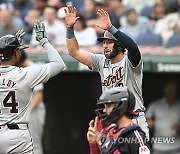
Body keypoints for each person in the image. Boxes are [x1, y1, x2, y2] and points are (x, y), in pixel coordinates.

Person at [65, 5, 149, 139]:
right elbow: (73, 52)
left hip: (133, 119)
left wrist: (111, 29)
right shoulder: (101, 61)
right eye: (104, 43)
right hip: (112, 122)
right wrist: (69, 29)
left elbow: (133, 48)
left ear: (119, 45)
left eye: (109, 42)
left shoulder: (130, 62)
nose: (105, 46)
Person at [0, 20, 65, 153]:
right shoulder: (26, 74)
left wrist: (10, 46)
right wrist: (44, 41)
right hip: (17, 136)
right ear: (17, 54)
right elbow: (59, 64)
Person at [87, 87, 151, 154]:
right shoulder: (109, 132)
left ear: (120, 106)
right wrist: (93, 144)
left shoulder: (134, 136)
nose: (104, 110)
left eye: (108, 106)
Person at [18, 50, 46, 154]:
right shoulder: (19, 70)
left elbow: (38, 95)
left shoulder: (34, 69)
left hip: (34, 111)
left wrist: (27, 112)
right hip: (24, 112)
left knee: (34, 143)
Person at [146, 81, 180, 154]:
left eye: (173, 89)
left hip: (176, 145)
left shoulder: (179, 106)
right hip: (158, 146)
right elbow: (145, 118)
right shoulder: (156, 104)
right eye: (169, 89)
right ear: (165, 89)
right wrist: (149, 122)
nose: (171, 91)